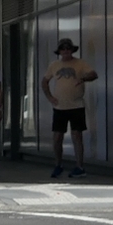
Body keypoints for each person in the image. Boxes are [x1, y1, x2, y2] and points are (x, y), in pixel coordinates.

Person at [45, 37, 98, 179]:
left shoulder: (80, 64)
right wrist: (50, 97)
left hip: (76, 106)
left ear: (72, 50)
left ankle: (80, 166)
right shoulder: (54, 65)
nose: (66, 51)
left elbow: (93, 74)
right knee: (57, 137)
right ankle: (58, 164)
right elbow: (45, 81)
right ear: (60, 51)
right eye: (63, 49)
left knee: (77, 136)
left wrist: (83, 79)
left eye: (68, 48)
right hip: (59, 107)